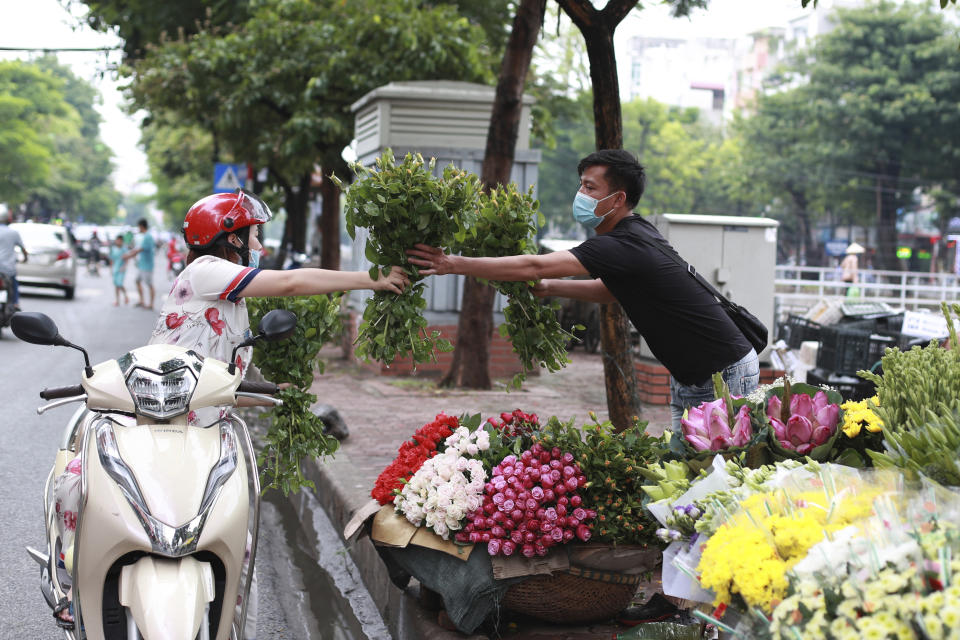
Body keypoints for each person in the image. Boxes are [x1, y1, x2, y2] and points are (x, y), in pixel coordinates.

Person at [52, 190, 409, 633]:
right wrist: (371, 279)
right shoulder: (207, 271)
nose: (259, 247)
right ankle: (71, 583)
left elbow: (225, 386)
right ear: (230, 238)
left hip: (201, 436)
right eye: (254, 236)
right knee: (79, 480)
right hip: (149, 419)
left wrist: (279, 395)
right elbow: (292, 284)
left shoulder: (233, 307)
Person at [406, 149, 759, 433]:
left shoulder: (620, 243)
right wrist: (548, 289)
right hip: (700, 370)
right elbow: (610, 291)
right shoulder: (635, 234)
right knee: (687, 470)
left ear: (618, 198)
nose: (581, 195)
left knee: (716, 475)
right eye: (581, 186)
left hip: (721, 371)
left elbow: (535, 265)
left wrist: (453, 263)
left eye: (590, 188)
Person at [125, 218, 156, 309]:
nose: (138, 228)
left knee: (149, 284)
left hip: (147, 265)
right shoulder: (144, 236)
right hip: (142, 264)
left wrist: (128, 256)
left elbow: (139, 249)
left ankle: (151, 304)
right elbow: (137, 248)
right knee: (137, 281)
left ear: (141, 226)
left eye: (138, 226)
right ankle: (142, 301)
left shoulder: (147, 237)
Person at [0, 210, 27, 310]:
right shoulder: (13, 233)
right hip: (8, 269)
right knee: (14, 282)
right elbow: (23, 250)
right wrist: (25, 259)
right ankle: (15, 303)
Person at [108, 235, 130, 306]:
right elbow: (111, 259)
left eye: (120, 240)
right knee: (116, 285)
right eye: (118, 240)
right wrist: (111, 269)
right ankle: (117, 300)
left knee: (119, 284)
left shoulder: (124, 249)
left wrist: (124, 267)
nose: (119, 242)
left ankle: (125, 296)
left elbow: (127, 259)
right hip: (115, 268)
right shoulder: (113, 249)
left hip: (121, 269)